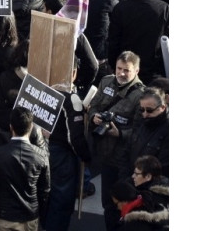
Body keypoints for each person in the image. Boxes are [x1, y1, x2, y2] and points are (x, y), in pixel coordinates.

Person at [88, 51, 145, 221]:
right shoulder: (106, 81)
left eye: (126, 70)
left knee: (125, 204)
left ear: (136, 71)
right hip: (105, 156)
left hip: (124, 160)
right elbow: (93, 106)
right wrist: (94, 117)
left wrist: (119, 133)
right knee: (108, 202)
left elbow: (140, 131)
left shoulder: (141, 95)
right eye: (119, 68)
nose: (121, 73)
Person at [43, 59, 93, 231]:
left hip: (41, 151)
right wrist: (86, 156)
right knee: (61, 203)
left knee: (45, 199)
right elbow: (75, 138)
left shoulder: (42, 90)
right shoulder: (71, 99)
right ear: (73, 73)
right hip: (62, 157)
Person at [0, 107, 50, 230]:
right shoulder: (40, 155)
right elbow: (45, 190)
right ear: (31, 127)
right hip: (30, 215)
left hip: (4, 215)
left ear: (11, 127)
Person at [107, 0, 169, 84]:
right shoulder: (164, 9)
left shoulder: (121, 8)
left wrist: (115, 66)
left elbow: (113, 41)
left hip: (125, 70)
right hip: (153, 72)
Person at [121, 88, 169, 179]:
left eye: (150, 110)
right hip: (132, 179)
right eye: (142, 109)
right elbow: (127, 152)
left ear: (162, 107)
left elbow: (164, 167)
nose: (145, 114)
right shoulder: (141, 122)